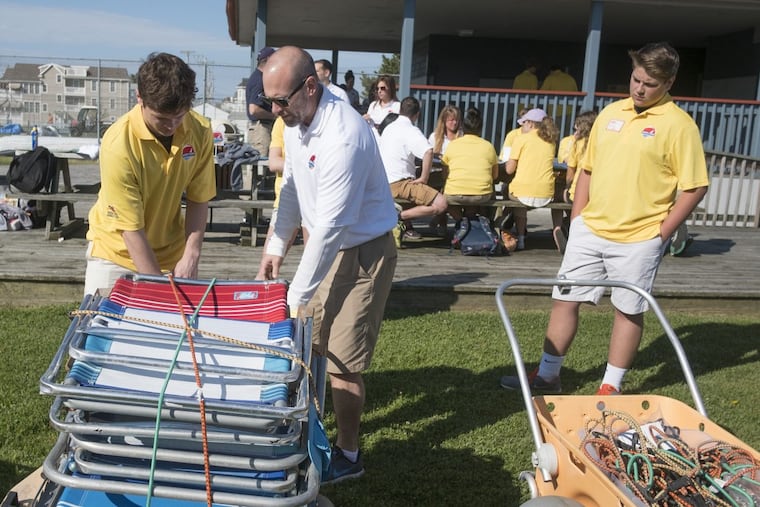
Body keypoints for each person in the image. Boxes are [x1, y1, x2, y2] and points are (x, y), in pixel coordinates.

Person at [500, 42, 709, 395]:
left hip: (641, 237)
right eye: (636, 79)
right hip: (590, 230)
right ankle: (548, 376)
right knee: (565, 300)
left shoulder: (680, 126)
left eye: (650, 84)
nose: (640, 88)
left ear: (669, 82)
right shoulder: (611, 114)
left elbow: (695, 187)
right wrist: (578, 218)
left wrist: (661, 234)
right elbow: (588, 170)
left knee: (627, 310)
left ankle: (609, 388)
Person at [256, 46, 398, 483]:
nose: (276, 112)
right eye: (271, 102)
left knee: (342, 362)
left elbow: (334, 227)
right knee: (306, 346)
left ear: (311, 87)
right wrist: (276, 245)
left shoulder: (346, 135)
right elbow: (294, 185)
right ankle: (305, 433)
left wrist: (296, 297)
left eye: (282, 101)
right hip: (326, 245)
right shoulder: (298, 120)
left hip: (364, 251)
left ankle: (349, 455)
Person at [83, 52, 216, 295]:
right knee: (101, 330)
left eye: (179, 116)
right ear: (139, 98)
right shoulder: (118, 144)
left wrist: (191, 253)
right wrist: (159, 291)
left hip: (172, 255)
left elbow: (199, 197)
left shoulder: (200, 130)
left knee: (171, 331)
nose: (172, 125)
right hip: (115, 254)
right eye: (162, 118)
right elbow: (131, 230)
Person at [379, 96, 448, 247]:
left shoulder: (389, 128)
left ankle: (399, 219)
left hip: (383, 182)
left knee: (426, 189)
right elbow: (428, 151)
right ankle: (398, 217)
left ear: (400, 110)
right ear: (416, 115)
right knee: (441, 204)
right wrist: (424, 178)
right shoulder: (411, 130)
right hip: (400, 183)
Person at [504, 108, 562, 252]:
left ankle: (518, 235)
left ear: (530, 124)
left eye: (523, 123)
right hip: (547, 193)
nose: (521, 126)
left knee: (509, 192)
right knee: (526, 195)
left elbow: (509, 170)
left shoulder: (521, 139)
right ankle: (558, 229)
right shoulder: (551, 141)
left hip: (522, 192)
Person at [441, 107, 499, 221]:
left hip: (454, 192)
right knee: (476, 199)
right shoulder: (488, 146)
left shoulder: (453, 145)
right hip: (482, 194)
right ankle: (471, 221)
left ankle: (461, 221)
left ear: (462, 127)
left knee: (444, 201)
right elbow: (495, 176)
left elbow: (444, 175)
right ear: (481, 128)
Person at [245, 47, 277, 156]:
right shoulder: (259, 79)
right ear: (268, 59)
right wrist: (274, 116)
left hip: (261, 128)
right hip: (261, 129)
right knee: (260, 167)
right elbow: (254, 109)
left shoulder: (260, 77)